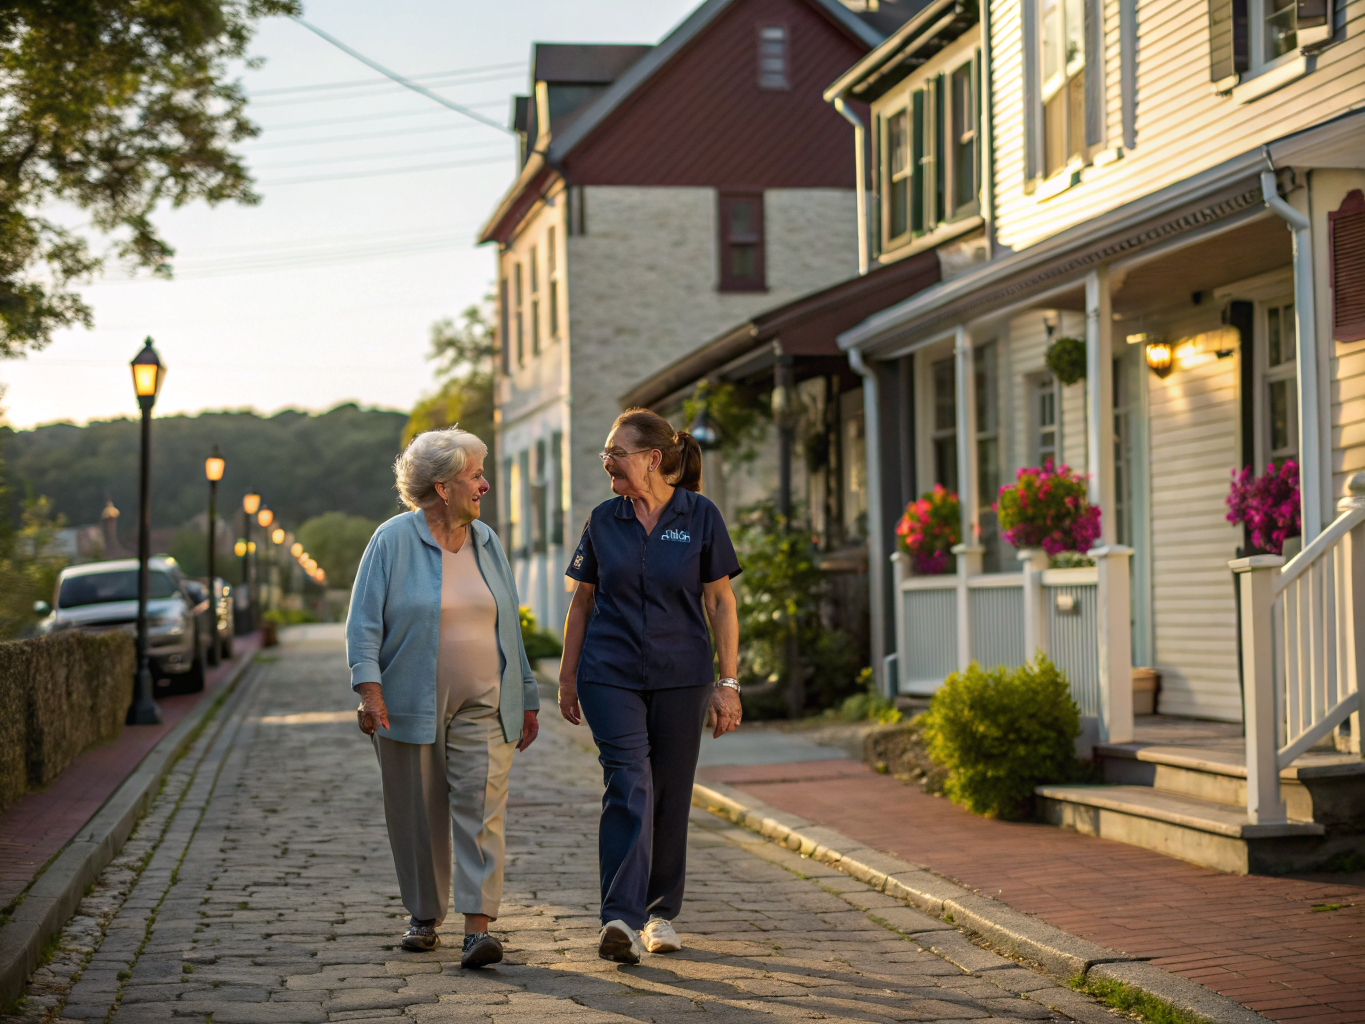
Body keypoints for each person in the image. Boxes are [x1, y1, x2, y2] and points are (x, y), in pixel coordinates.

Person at [348, 426, 539, 968]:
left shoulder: (487, 542)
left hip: (486, 697)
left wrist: (525, 693)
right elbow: (363, 623)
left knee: (482, 807)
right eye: (474, 475)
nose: (484, 486)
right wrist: (369, 690)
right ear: (441, 486)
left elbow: (510, 626)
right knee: (416, 810)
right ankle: (424, 915)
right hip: (407, 698)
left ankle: (478, 928)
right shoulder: (391, 541)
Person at [558, 408, 743, 965]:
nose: (606, 461)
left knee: (669, 793)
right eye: (606, 453)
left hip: (682, 678)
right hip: (608, 673)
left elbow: (720, 602)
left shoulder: (699, 515)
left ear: (652, 459)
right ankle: (619, 916)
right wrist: (567, 677)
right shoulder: (602, 519)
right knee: (629, 782)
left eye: (616, 452)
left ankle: (660, 913)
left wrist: (727, 682)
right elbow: (582, 602)